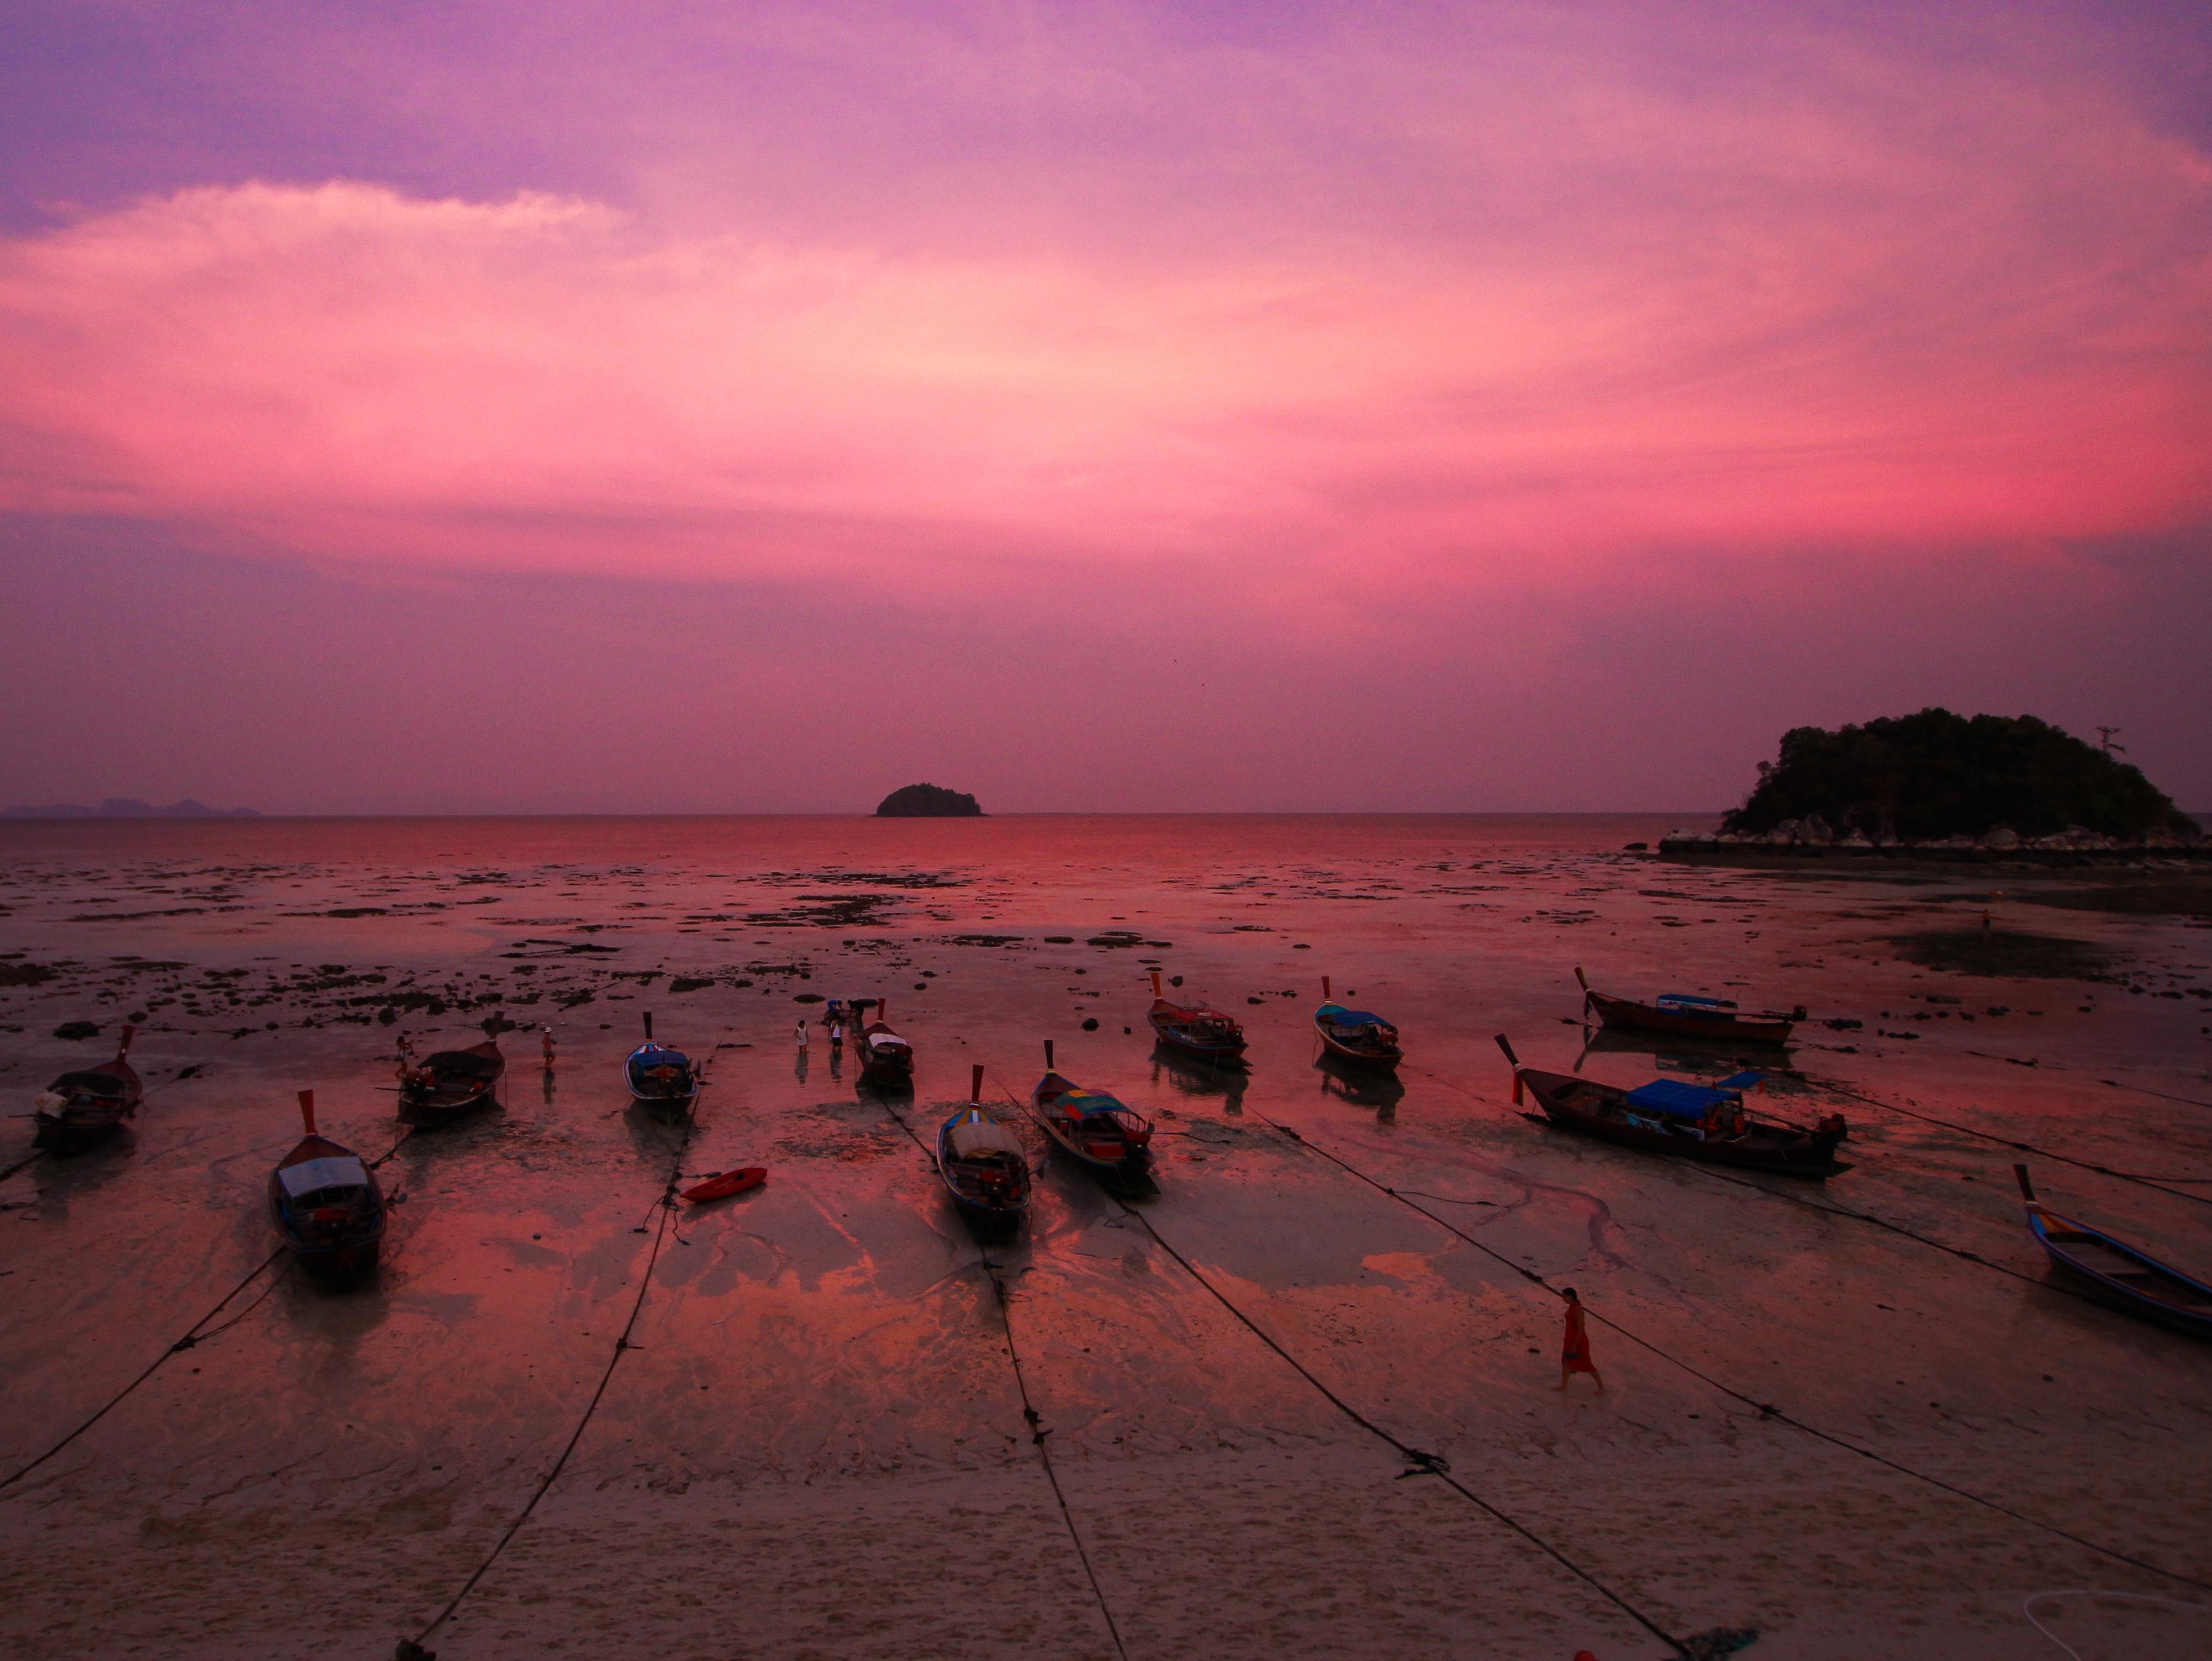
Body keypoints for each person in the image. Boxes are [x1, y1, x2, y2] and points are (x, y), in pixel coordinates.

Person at [1558, 1287, 1604, 1393]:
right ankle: (1564, 1386)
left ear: (1570, 1296)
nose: (1563, 1298)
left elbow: (1580, 1328)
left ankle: (1601, 1386)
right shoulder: (1571, 1307)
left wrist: (1575, 1344)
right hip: (1569, 1340)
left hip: (1578, 1341)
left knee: (1586, 1364)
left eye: (1564, 1296)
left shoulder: (1578, 1309)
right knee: (1566, 1361)